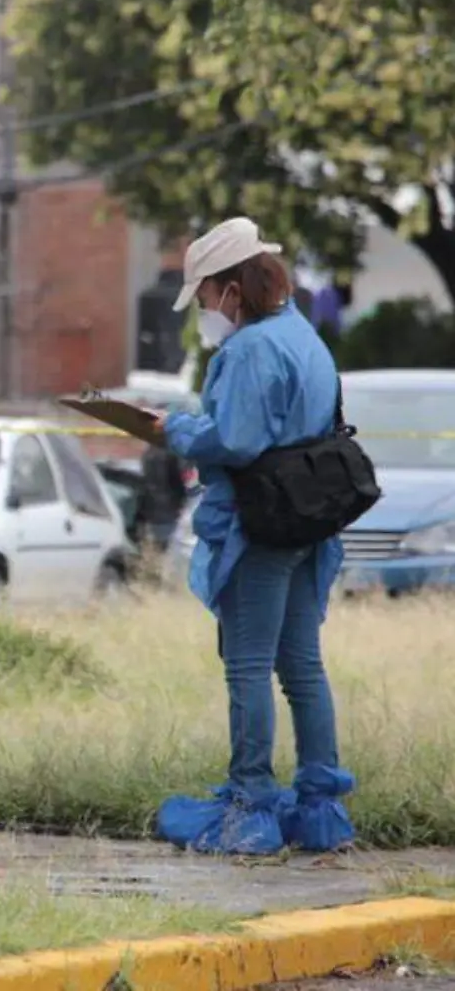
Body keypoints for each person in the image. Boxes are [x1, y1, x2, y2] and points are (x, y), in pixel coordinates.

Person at [152, 217, 355, 855]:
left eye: (207, 298)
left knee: (247, 668)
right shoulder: (305, 336)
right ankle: (320, 806)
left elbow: (234, 440)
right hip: (307, 523)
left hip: (259, 526)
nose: (207, 312)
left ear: (232, 289)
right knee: (301, 666)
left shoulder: (246, 351)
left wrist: (175, 429)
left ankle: (253, 803)